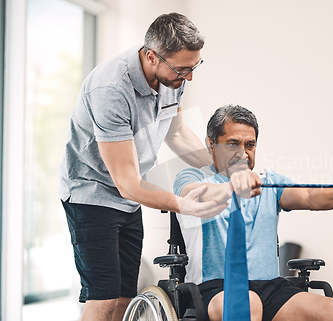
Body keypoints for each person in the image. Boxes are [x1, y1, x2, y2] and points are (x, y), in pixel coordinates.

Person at [59, 13, 227, 321]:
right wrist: (183, 205)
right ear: (152, 56)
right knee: (104, 299)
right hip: (91, 194)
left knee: (126, 297)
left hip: (128, 197)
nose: (189, 77)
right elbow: (128, 183)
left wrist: (224, 166)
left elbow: (176, 134)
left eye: (194, 66)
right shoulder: (110, 90)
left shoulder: (172, 78)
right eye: (182, 69)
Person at [173, 104, 333, 321]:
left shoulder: (268, 181)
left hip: (269, 288)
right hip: (216, 288)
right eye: (233, 144)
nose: (243, 154)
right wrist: (230, 187)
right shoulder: (192, 178)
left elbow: (309, 197)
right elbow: (193, 196)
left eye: (250, 145)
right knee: (248, 304)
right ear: (211, 144)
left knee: (331, 309)